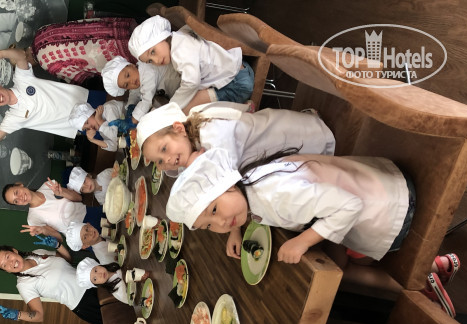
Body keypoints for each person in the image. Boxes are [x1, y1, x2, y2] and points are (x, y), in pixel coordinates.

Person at [166, 147, 414, 264]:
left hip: (391, 209)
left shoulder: (279, 196)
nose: (219, 222)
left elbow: (349, 205)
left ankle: (427, 266)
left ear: (228, 185)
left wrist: (301, 242)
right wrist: (234, 229)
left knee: (358, 259)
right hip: (379, 182)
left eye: (214, 210)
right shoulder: (249, 182)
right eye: (209, 226)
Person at [0, 46, 99, 154]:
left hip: (86, 99)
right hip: (83, 124)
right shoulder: (12, 118)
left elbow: (20, 56)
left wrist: (0, 54)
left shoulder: (21, 79)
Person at [137, 101, 335, 175]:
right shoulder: (193, 126)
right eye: (159, 162)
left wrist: (195, 167)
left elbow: (229, 176)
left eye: (164, 149)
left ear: (179, 128)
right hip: (274, 132)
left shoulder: (211, 132)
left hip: (305, 140)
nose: (167, 160)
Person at [128, 15, 253, 112]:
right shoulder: (179, 36)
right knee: (188, 102)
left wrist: (171, 106)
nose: (155, 61)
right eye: (150, 61)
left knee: (185, 111)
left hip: (236, 84)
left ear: (162, 37)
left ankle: (243, 109)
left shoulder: (179, 52)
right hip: (239, 70)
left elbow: (191, 83)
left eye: (153, 52)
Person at [0, 241, 103, 324]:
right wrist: (18, 315)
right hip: (85, 303)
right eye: (4, 265)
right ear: (7, 271)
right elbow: (39, 316)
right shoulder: (23, 285)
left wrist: (58, 245)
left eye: (7, 257)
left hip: (92, 280)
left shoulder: (37, 253)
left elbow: (68, 260)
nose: (10, 263)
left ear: (14, 251)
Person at [31, 18, 137, 84]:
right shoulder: (40, 31)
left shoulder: (45, 63)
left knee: (132, 64)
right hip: (103, 30)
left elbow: (77, 77)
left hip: (102, 53)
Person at [3, 178, 102, 236]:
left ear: (20, 185)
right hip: (81, 234)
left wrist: (61, 193)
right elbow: (58, 236)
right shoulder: (32, 220)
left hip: (89, 212)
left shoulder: (48, 185)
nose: (20, 198)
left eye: (16, 192)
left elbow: (79, 198)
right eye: (16, 201)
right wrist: (43, 230)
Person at [101, 56, 180, 122]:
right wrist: (130, 105)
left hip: (179, 82)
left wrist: (133, 120)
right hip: (171, 91)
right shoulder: (137, 74)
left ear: (131, 65)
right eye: (127, 85)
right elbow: (134, 92)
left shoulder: (147, 70)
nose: (131, 81)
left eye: (128, 75)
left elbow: (147, 100)